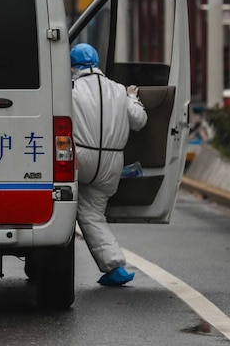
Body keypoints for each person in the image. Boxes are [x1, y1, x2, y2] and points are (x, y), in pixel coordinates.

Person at [70, 43, 147, 286]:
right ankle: (115, 268)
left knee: (66, 207)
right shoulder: (118, 90)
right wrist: (133, 98)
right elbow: (139, 121)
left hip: (80, 159)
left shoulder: (69, 88)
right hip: (112, 163)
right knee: (92, 214)